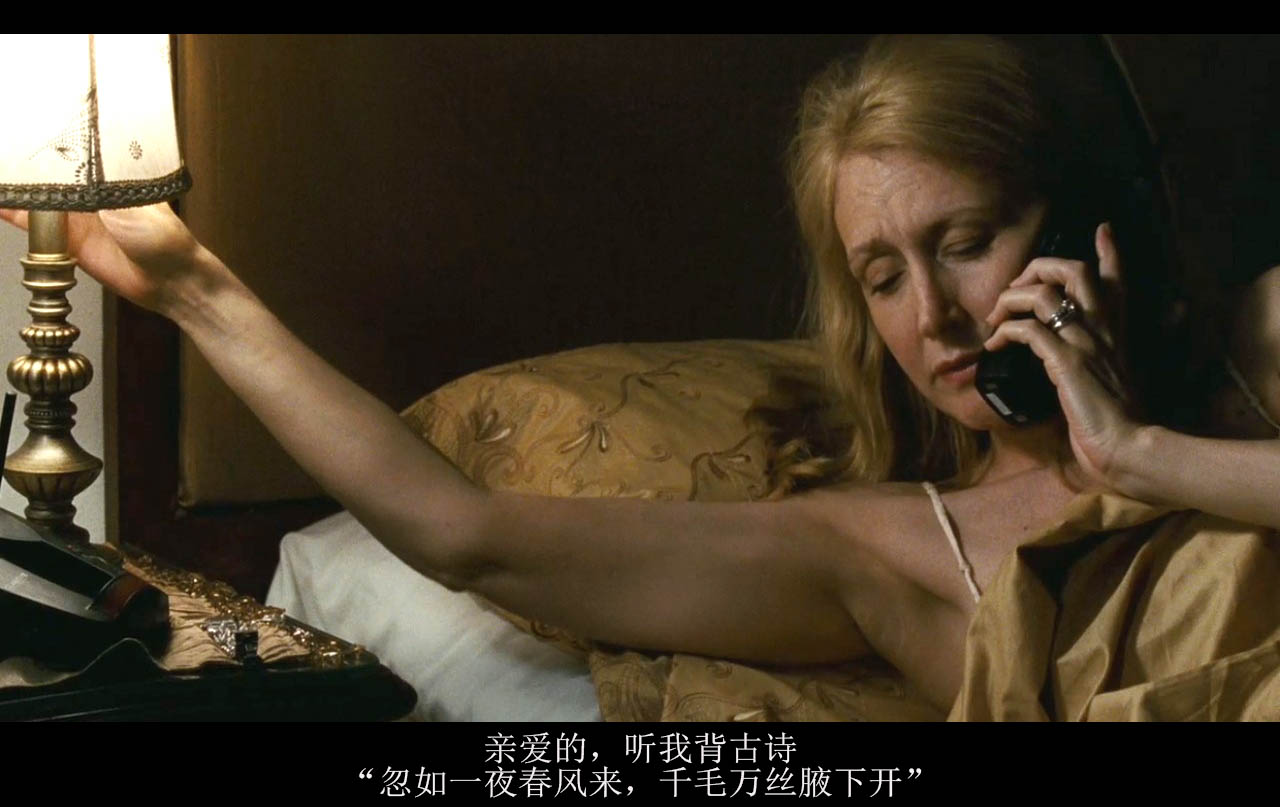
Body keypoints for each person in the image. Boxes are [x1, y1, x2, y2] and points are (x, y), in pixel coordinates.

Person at [3, 35, 1278, 716]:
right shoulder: (886, 546)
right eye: (882, 276)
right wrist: (194, 291)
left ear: (1086, 230)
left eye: (964, 241)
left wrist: (1144, 458)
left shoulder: (1257, 351)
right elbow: (463, 535)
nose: (933, 315)